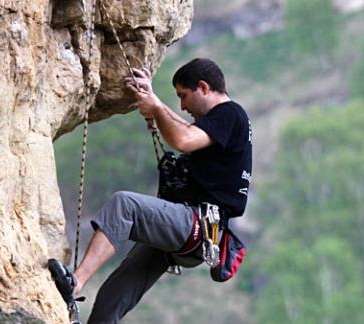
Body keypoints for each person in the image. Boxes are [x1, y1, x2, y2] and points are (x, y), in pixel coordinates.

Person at [48, 58, 253, 323]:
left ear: (203, 87)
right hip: (196, 232)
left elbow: (183, 138)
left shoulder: (230, 113)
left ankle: (75, 283)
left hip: (195, 224)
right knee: (116, 292)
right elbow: (186, 130)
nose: (182, 105)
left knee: (125, 205)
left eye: (184, 96)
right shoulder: (225, 123)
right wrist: (153, 101)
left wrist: (156, 106)